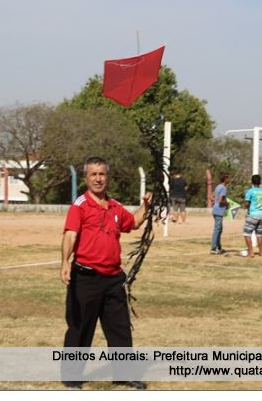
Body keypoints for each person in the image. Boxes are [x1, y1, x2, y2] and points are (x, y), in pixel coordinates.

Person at [60, 156, 152, 390]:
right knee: (80, 328)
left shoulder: (114, 206)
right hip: (85, 278)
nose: (98, 179)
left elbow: (134, 222)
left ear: (107, 177)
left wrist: (146, 206)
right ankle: (71, 376)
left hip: (113, 279)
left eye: (102, 174)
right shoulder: (80, 205)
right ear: (86, 178)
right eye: (93, 174)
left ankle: (123, 374)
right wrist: (65, 262)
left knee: (120, 328)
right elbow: (70, 234)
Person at [242, 174, 262, 257]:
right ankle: (261, 252)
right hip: (261, 215)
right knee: (259, 235)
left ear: (252, 182)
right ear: (260, 182)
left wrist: (245, 204)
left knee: (247, 234)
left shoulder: (250, 191)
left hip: (253, 215)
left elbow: (247, 204)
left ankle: (251, 252)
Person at [210, 173, 230, 254]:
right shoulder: (223, 188)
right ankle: (213, 248)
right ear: (225, 179)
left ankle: (218, 247)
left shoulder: (218, 186)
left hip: (215, 210)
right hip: (219, 210)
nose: (229, 179)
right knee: (217, 229)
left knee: (219, 229)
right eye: (228, 178)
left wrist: (214, 202)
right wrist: (227, 203)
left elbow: (211, 197)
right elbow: (220, 200)